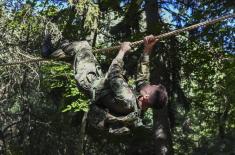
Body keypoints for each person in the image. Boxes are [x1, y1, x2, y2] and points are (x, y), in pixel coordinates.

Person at [42, 35, 168, 134]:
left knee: (83, 47)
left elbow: (113, 74)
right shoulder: (139, 105)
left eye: (152, 87)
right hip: (96, 81)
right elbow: (143, 79)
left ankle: (51, 53)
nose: (149, 84)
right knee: (78, 53)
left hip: (89, 81)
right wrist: (147, 50)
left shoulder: (127, 99)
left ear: (146, 96)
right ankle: (63, 49)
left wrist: (122, 51)